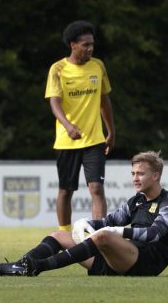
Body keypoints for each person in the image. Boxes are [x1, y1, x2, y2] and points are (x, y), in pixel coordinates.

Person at [0, 151, 168, 277]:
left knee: (104, 236)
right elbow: (110, 220)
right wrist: (87, 223)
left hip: (146, 264)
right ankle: (19, 266)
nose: (135, 178)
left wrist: (116, 232)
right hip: (122, 258)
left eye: (140, 174)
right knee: (59, 235)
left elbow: (154, 234)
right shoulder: (136, 200)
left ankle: (38, 266)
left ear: (155, 176)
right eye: (133, 174)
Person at [44, 20, 116, 232]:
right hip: (67, 141)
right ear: (73, 45)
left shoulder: (98, 66)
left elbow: (104, 100)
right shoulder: (58, 69)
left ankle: (99, 235)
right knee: (66, 191)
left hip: (94, 139)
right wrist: (68, 126)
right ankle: (64, 235)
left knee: (97, 188)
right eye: (85, 45)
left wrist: (111, 131)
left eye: (92, 44)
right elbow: (54, 102)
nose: (90, 48)